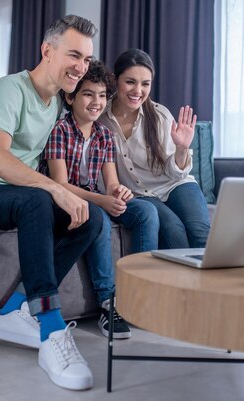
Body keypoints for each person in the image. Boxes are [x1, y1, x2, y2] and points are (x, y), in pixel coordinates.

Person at [0, 15, 101, 391]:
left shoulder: (57, 106)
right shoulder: (9, 90)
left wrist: (72, 192)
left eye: (87, 59)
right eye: (74, 55)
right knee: (38, 202)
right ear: (48, 50)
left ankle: (14, 308)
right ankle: (50, 329)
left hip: (13, 196)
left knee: (90, 218)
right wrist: (55, 190)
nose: (81, 67)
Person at [39, 60, 159, 339]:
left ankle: (140, 295)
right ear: (70, 97)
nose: (97, 102)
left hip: (95, 196)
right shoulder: (60, 131)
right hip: (66, 200)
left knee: (146, 212)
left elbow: (112, 182)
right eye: (88, 94)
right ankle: (108, 302)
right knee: (100, 216)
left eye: (103, 95)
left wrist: (118, 193)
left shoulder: (104, 135)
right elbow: (60, 184)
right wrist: (103, 202)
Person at [98, 48, 211, 249]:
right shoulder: (100, 118)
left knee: (200, 234)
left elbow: (174, 173)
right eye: (130, 82)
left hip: (176, 185)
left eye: (145, 84)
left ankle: (211, 282)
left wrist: (182, 148)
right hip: (141, 195)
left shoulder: (160, 116)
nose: (138, 91)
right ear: (116, 80)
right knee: (174, 233)